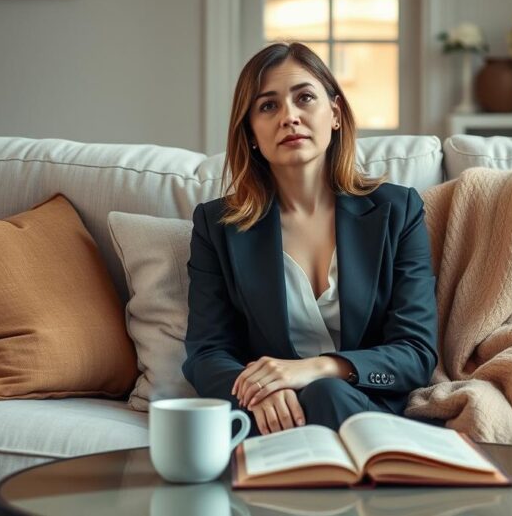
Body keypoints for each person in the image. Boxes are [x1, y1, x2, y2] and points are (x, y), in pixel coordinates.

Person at [182, 42, 438, 436]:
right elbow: (206, 352)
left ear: (334, 114)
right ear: (251, 132)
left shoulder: (397, 211)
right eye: (268, 106)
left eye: (304, 98)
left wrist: (314, 369)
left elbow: (416, 352)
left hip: (364, 405)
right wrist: (260, 392)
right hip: (268, 416)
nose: (290, 117)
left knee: (327, 394)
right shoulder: (217, 225)